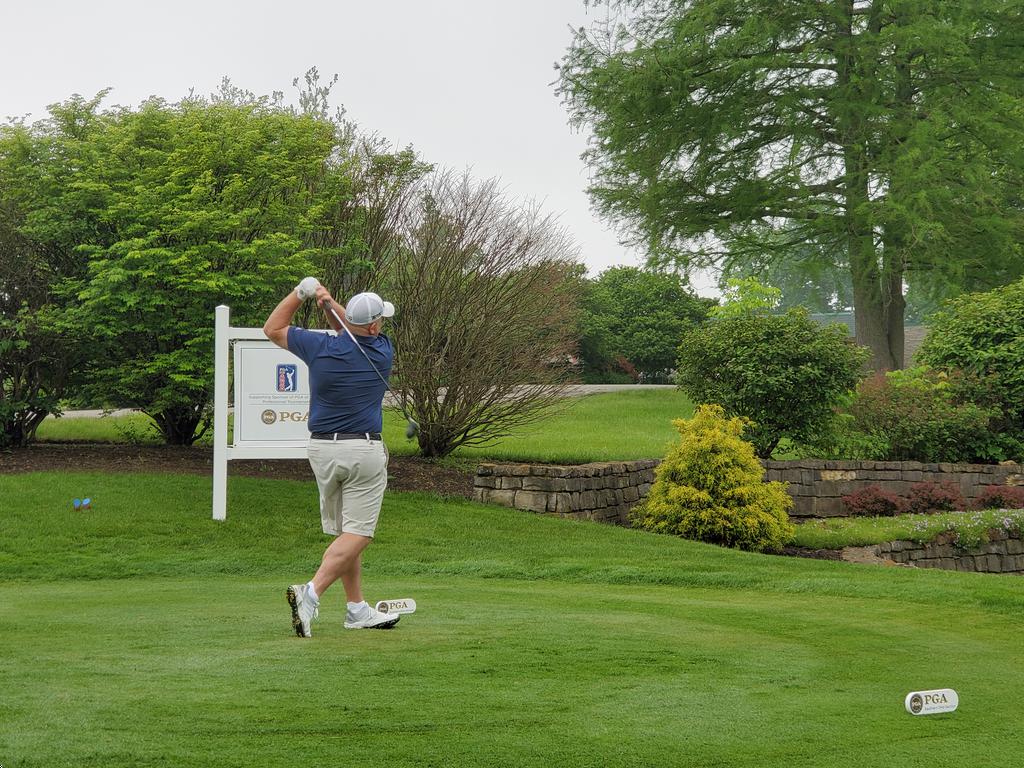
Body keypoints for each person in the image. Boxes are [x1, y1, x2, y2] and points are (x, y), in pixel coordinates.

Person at [263, 276, 400, 636]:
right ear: (374, 325)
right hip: (363, 451)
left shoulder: (318, 347)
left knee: (345, 532)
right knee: (360, 534)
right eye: (379, 320)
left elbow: (272, 327)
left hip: (322, 449)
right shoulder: (381, 351)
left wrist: (302, 294)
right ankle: (311, 592)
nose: (381, 325)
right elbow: (355, 328)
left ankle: (356, 609)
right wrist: (329, 303)